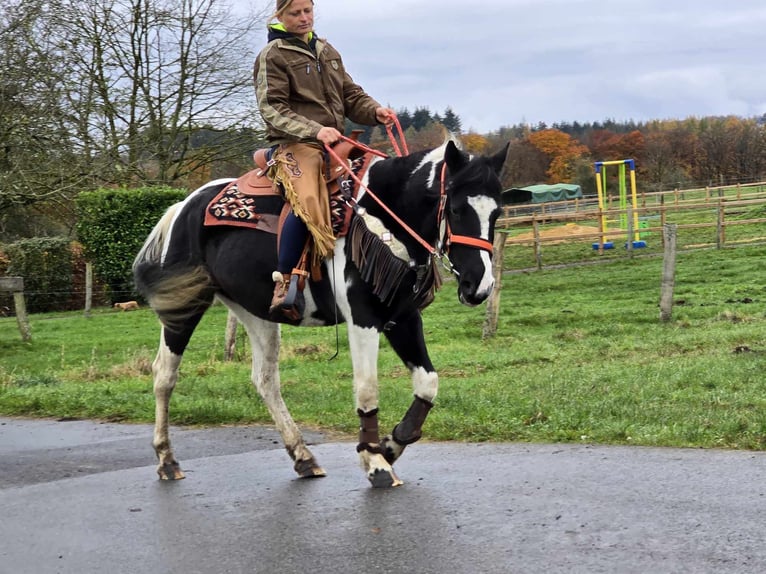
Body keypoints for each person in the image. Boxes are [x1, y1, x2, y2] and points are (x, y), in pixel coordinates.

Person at [254, 0, 395, 321]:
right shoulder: (272, 55)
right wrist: (315, 131)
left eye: (307, 11)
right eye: (295, 13)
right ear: (279, 16)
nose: (304, 18)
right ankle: (285, 280)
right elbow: (271, 108)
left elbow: (350, 94)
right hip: (295, 144)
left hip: (334, 140)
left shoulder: (326, 50)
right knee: (308, 201)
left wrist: (375, 111)